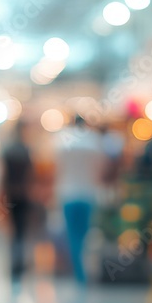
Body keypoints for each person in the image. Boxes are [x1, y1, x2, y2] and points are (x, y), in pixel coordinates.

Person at [55, 115, 106, 284]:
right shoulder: (93, 141)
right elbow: (100, 169)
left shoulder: (63, 141)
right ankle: (82, 270)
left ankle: (79, 271)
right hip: (88, 193)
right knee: (84, 234)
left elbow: (57, 168)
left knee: (72, 234)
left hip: (68, 193)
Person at [2, 126, 33, 278]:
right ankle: (18, 260)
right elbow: (30, 175)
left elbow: (5, 176)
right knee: (20, 229)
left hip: (12, 195)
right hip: (23, 194)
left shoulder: (9, 151)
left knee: (15, 230)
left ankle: (15, 260)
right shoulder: (26, 151)